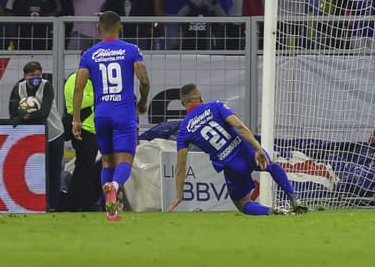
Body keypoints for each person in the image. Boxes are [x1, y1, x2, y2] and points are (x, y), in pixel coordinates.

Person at [168, 83, 305, 215]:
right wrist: (257, 148)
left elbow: (180, 166)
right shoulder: (215, 106)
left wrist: (178, 196)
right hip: (245, 150)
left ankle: (272, 211)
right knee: (271, 166)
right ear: (201, 98)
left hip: (231, 166)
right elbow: (240, 127)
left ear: (183, 103)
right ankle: (294, 199)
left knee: (243, 203)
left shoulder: (183, 130)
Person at [71, 11, 151, 221]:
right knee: (125, 159)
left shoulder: (89, 54)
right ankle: (114, 186)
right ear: (120, 27)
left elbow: (78, 88)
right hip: (123, 112)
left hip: (101, 114)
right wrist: (143, 101)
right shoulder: (131, 50)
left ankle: (111, 210)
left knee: (107, 161)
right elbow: (143, 80)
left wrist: (76, 119)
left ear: (98, 28)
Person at [9, 61, 64, 211]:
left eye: (38, 75)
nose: (36, 78)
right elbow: (13, 113)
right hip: (33, 136)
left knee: (53, 171)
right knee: (33, 170)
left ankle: (53, 205)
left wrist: (24, 115)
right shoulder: (18, 88)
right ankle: (34, 203)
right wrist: (21, 115)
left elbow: (44, 112)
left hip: (53, 134)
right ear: (25, 76)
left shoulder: (46, 86)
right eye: (32, 75)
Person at [64, 67, 98, 211]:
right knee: (84, 168)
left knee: (85, 168)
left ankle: (75, 203)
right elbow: (79, 100)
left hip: (91, 129)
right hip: (82, 129)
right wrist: (98, 96)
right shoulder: (75, 79)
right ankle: (81, 203)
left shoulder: (91, 80)